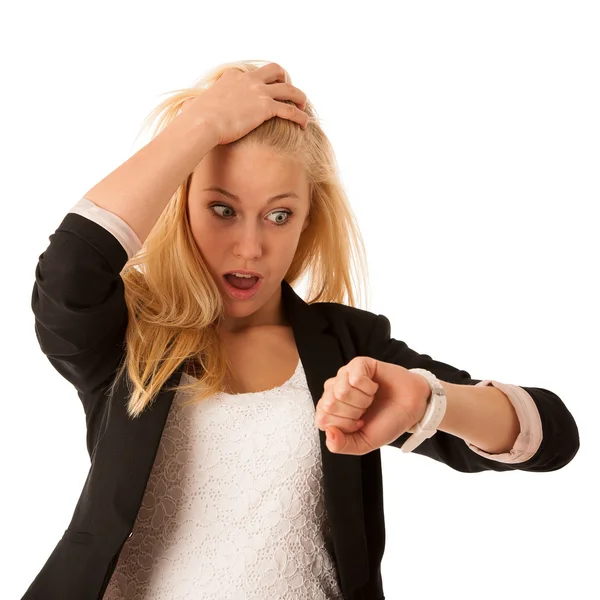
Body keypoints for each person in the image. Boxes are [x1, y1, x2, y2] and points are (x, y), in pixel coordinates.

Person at [22, 60, 579, 600]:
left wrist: (429, 402)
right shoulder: (128, 338)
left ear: (308, 218)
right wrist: (200, 126)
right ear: (179, 202)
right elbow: (69, 272)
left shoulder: (348, 349)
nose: (250, 246)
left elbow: (552, 437)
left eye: (279, 214)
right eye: (222, 209)